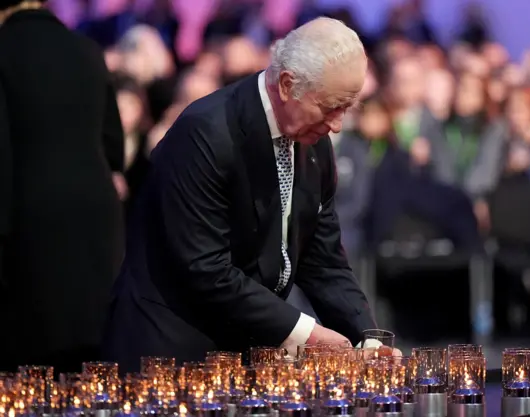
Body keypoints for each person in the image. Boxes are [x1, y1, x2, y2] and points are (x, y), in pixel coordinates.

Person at [103, 17, 377, 371]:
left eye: (347, 108)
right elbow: (205, 268)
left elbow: (322, 256)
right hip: (169, 354)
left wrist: (367, 336)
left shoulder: (313, 141)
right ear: (287, 84)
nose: (337, 124)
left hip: (241, 354)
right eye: (330, 107)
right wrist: (306, 332)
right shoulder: (206, 132)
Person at [0, 0, 125, 371]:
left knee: (29, 370)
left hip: (28, 219)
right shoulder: (86, 48)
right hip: (96, 217)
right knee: (88, 362)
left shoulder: (4, 51)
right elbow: (114, 147)